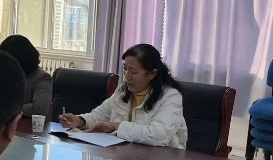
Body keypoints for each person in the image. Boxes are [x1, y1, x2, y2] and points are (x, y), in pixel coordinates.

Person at [59, 43, 187, 149]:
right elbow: (99, 115)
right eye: (125, 69)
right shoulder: (122, 91)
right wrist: (80, 121)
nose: (127, 76)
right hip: (127, 156)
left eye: (133, 72)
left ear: (152, 74)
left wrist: (116, 126)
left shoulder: (170, 96)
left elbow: (159, 135)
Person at [0, 35, 51, 118]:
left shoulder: (41, 78)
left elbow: (39, 109)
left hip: (30, 124)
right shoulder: (8, 74)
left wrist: (7, 108)